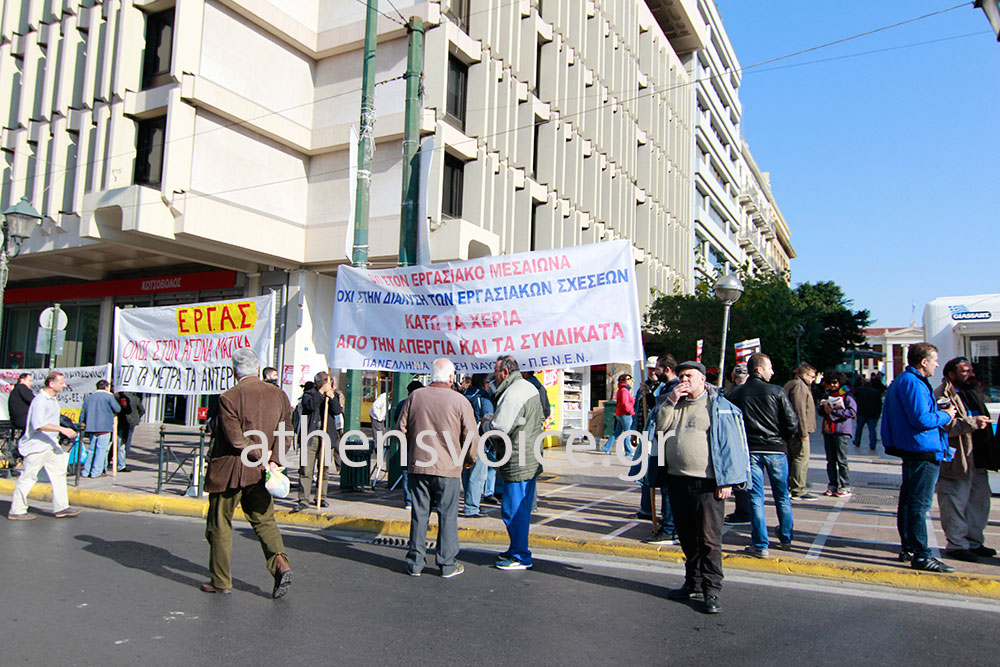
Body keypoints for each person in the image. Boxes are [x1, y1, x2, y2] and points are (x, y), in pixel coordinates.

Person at [655, 361, 749, 615]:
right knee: (686, 536)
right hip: (676, 478)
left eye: (690, 376)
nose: (684, 380)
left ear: (702, 380)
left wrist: (728, 480)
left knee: (709, 539)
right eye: (681, 375)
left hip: (708, 483)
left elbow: (732, 445)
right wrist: (671, 400)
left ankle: (712, 590)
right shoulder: (671, 402)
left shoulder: (719, 407)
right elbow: (659, 428)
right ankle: (692, 582)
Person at [202, 347, 293, 597]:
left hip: (231, 470)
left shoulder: (229, 397)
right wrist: (274, 460)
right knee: (264, 521)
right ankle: (280, 564)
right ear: (256, 369)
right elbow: (287, 431)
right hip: (261, 473)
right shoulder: (279, 394)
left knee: (220, 523)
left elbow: (235, 439)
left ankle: (221, 581)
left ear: (234, 371)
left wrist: (261, 457)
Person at [398, 358, 477, 578]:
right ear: (452, 378)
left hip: (419, 466)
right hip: (448, 468)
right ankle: (447, 564)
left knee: (419, 514)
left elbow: (400, 429)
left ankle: (415, 563)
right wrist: (469, 459)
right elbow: (471, 435)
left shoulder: (415, 397)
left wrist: (412, 453)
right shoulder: (459, 401)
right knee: (448, 516)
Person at [882, 342, 956, 573]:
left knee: (909, 502)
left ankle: (910, 548)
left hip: (914, 448)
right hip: (921, 449)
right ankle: (922, 554)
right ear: (923, 362)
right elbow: (921, 419)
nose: (936, 365)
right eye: (934, 360)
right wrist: (945, 414)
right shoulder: (913, 383)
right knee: (918, 505)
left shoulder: (904, 381)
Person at [727, 353, 798, 557]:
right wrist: (781, 438)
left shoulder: (736, 394)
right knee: (782, 495)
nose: (772, 372)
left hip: (750, 449)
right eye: (770, 368)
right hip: (775, 449)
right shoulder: (776, 391)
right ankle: (785, 537)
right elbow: (791, 423)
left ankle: (760, 544)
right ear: (759, 369)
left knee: (756, 497)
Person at [934, 357, 996, 563]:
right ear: (951, 374)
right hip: (957, 460)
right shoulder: (943, 395)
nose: (970, 374)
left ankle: (974, 541)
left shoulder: (972, 393)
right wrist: (972, 422)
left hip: (978, 459)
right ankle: (957, 545)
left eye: (970, 370)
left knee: (979, 503)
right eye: (964, 371)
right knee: (954, 502)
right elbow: (945, 425)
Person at [489, 355, 544, 570]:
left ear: (505, 372)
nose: (493, 375)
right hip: (529, 456)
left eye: (495, 371)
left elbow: (500, 428)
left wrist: (486, 424)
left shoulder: (512, 394)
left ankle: (520, 555)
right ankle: (516, 549)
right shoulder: (527, 387)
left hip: (517, 458)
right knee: (521, 508)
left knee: (513, 509)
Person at [7, 371, 81, 520]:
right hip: (37, 445)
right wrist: (62, 429)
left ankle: (62, 507)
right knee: (29, 477)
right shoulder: (41, 400)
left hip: (50, 444)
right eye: (61, 383)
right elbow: (39, 424)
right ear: (51, 384)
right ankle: (17, 509)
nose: (64, 385)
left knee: (59, 474)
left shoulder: (53, 400)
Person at [635, 354, 677, 544]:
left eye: (657, 368)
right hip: (660, 441)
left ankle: (669, 528)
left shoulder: (674, 387)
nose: (655, 372)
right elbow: (655, 408)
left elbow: (665, 413)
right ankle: (666, 523)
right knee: (660, 482)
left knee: (668, 487)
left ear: (667, 369)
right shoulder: (666, 387)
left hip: (667, 443)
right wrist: (648, 396)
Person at [292, 371, 343, 511]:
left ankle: (321, 496)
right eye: (325, 380)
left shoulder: (334, 395)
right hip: (311, 436)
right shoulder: (309, 394)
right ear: (318, 382)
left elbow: (337, 411)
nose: (328, 383)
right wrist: (321, 393)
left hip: (327, 437)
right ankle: (304, 498)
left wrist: (332, 397)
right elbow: (310, 406)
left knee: (324, 469)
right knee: (306, 469)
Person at [462, 374, 495, 518]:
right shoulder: (484, 398)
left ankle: (469, 501)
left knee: (466, 471)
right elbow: (489, 418)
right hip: (479, 440)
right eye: (488, 382)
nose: (489, 384)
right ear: (483, 384)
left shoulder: (463, 396)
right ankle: (472, 507)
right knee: (477, 474)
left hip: (463, 439)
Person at [784, 364, 818, 500]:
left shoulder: (792, 384)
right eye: (812, 376)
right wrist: (803, 432)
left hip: (792, 429)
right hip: (798, 431)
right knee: (801, 458)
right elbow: (800, 410)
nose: (813, 379)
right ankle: (799, 489)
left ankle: (792, 487)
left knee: (793, 459)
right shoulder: (799, 386)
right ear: (804, 375)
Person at [819, 371, 857, 497]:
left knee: (841, 460)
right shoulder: (827, 394)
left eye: (835, 382)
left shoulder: (847, 395)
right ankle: (832, 485)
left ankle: (845, 486)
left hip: (841, 431)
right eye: (830, 383)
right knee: (830, 460)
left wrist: (835, 411)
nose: (832, 385)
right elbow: (821, 413)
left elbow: (852, 412)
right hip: (828, 430)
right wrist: (822, 408)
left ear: (840, 382)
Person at [79, 380, 121, 478]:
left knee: (91, 450)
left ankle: (86, 471)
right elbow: (117, 409)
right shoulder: (109, 397)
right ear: (106, 387)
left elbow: (83, 413)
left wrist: (82, 424)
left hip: (91, 427)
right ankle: (96, 472)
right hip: (104, 427)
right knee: (101, 450)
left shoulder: (89, 398)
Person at [393, 379, 424, 510]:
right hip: (420, 442)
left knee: (406, 471)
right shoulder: (422, 405)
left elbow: (396, 420)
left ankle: (409, 500)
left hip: (405, 441)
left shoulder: (401, 404)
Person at [603, 373, 635, 456]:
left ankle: (607, 447)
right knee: (627, 432)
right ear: (623, 380)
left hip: (620, 414)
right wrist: (631, 411)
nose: (630, 381)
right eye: (628, 379)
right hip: (625, 414)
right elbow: (625, 403)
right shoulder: (624, 390)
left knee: (617, 432)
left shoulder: (621, 389)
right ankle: (628, 451)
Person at [115, 391, 144, 472]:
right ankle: (121, 462)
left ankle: (118, 461)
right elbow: (142, 410)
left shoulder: (119, 397)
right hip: (127, 422)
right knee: (125, 442)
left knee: (118, 443)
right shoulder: (135, 398)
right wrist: (137, 417)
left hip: (123, 422)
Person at [853, 378, 882, 450]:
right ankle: (872, 444)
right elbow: (879, 404)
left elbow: (854, 400)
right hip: (873, 414)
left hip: (861, 413)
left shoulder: (859, 390)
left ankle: (857, 441)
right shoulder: (876, 392)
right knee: (872, 430)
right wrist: (878, 414)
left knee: (859, 429)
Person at [8, 372, 34, 439]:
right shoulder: (22, 387)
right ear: (22, 380)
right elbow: (33, 400)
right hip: (23, 419)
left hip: (19, 419)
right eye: (29, 381)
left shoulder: (17, 389)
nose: (31, 383)